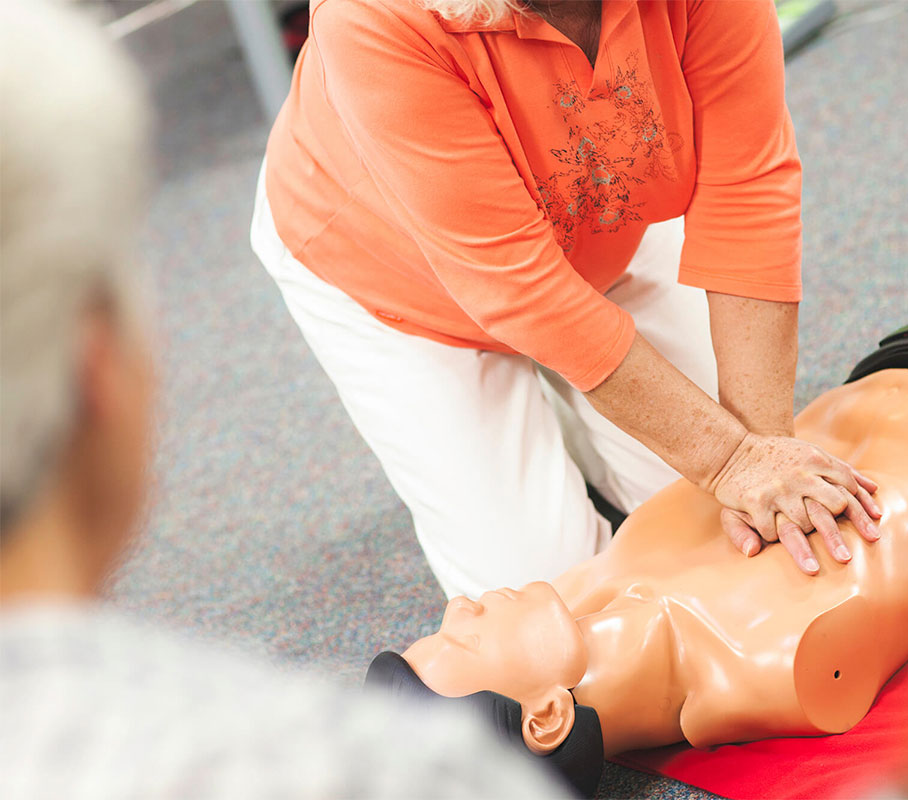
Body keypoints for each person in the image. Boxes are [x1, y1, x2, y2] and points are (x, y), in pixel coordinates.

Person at [0, 4, 557, 797]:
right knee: (555, 585)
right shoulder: (377, 772)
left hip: (576, 221)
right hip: (390, 267)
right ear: (98, 375)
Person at [251, 0, 881, 599]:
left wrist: (764, 453)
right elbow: (519, 287)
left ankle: (588, 417)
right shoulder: (373, 18)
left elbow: (746, 188)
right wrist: (728, 459)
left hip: (600, 212)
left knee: (712, 524)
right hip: (397, 281)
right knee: (555, 601)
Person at [366, 310, 908, 780]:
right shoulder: (778, 665)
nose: (459, 610)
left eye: (444, 626)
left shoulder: (586, 596)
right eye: (458, 642)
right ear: (547, 715)